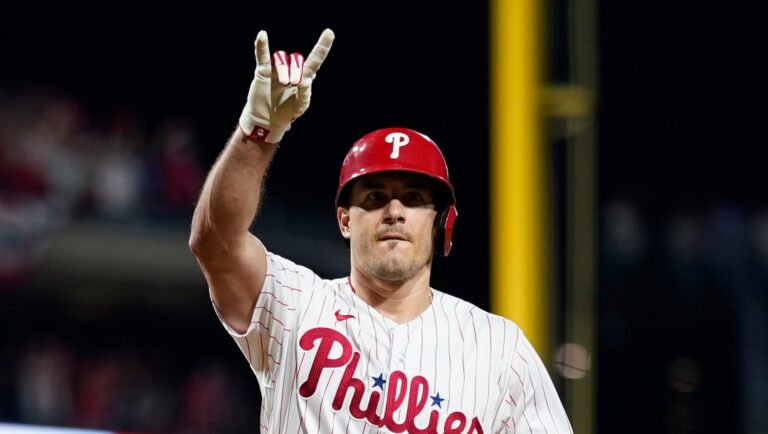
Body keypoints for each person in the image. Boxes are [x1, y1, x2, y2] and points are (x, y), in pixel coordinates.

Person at [189, 28, 572, 434]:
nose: (394, 210)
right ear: (344, 219)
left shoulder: (498, 349)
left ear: (442, 222)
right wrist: (258, 131)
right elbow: (216, 243)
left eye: (413, 197)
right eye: (373, 197)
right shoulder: (296, 306)